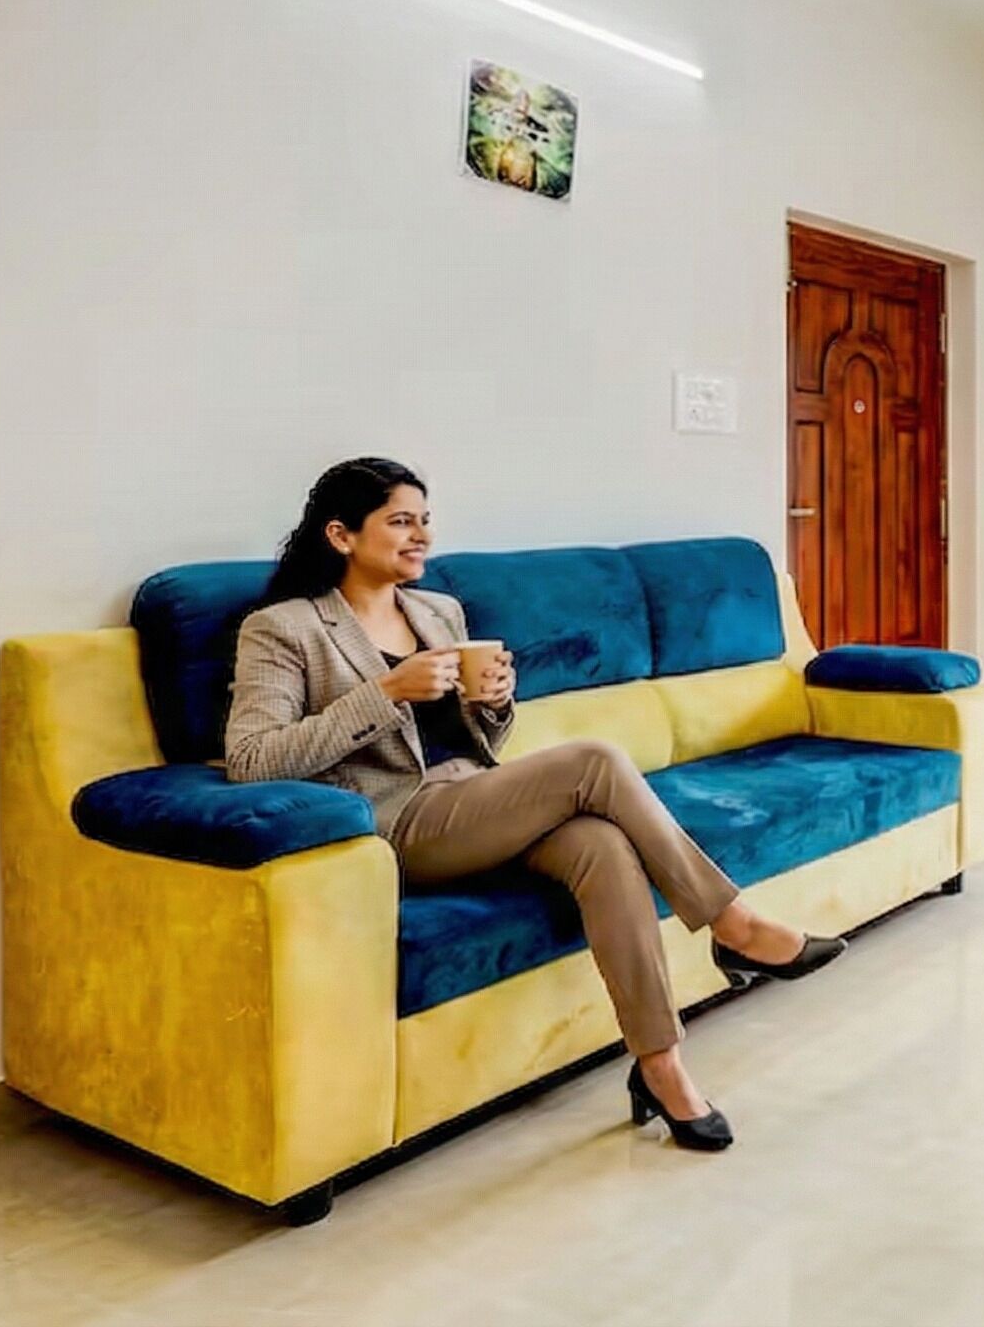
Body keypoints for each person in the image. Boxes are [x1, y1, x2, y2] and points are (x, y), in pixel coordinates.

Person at [224, 457, 846, 1152]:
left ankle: (661, 1067)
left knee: (601, 847)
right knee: (595, 759)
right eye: (400, 521)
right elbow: (253, 759)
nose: (421, 536)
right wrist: (387, 692)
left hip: (472, 798)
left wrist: (493, 703)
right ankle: (734, 923)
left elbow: (480, 739)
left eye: (425, 521)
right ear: (341, 535)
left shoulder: (438, 611)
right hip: (395, 823)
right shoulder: (283, 629)